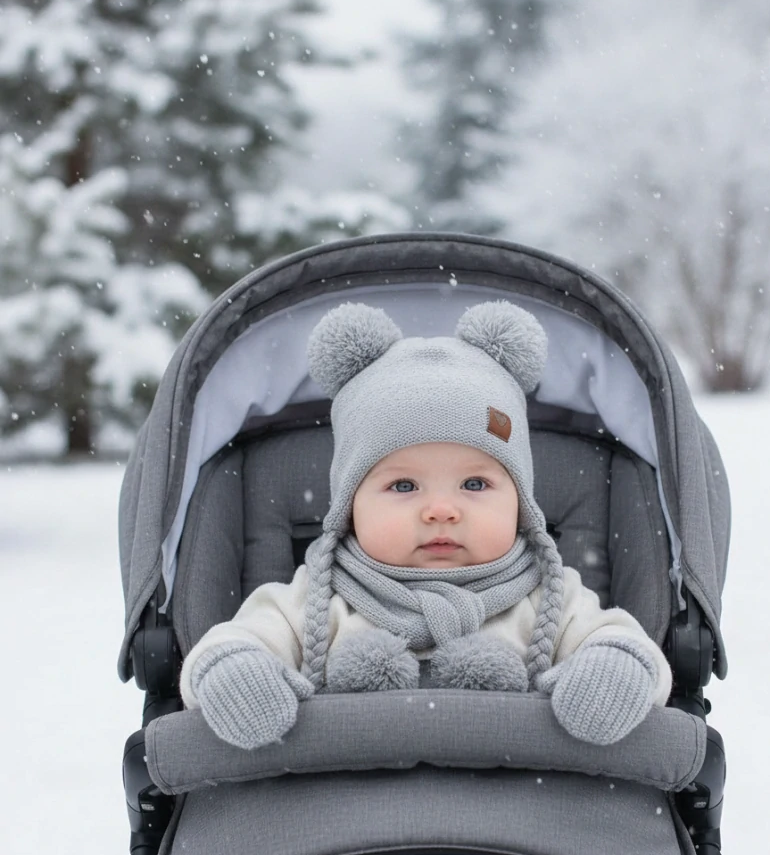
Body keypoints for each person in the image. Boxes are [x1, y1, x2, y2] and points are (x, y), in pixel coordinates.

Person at [180, 300, 672, 750]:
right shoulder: (317, 597)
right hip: (335, 816)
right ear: (349, 506)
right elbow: (236, 641)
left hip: (525, 820)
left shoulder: (548, 597)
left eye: (475, 486)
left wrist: (615, 665)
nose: (441, 510)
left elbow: (621, 641)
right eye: (404, 487)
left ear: (521, 504)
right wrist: (234, 669)